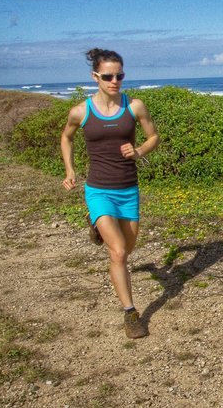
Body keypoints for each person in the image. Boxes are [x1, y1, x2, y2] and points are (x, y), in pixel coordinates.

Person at [61, 48, 159, 339]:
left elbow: (154, 136)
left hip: (128, 190)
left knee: (127, 250)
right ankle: (131, 314)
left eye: (120, 75)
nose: (115, 80)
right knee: (117, 252)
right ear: (95, 77)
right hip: (98, 189)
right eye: (108, 76)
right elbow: (66, 138)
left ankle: (98, 228)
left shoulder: (134, 106)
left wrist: (139, 150)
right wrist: (70, 171)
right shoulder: (81, 111)